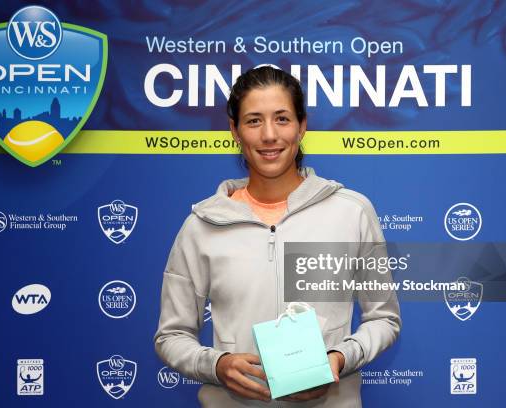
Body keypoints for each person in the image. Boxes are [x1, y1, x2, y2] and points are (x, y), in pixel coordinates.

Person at [154, 66, 401, 407]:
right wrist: (218, 365)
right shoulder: (201, 225)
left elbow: (383, 319)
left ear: (302, 126)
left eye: (282, 119)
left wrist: (339, 359)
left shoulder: (352, 212)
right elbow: (172, 335)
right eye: (254, 121)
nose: (269, 135)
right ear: (234, 130)